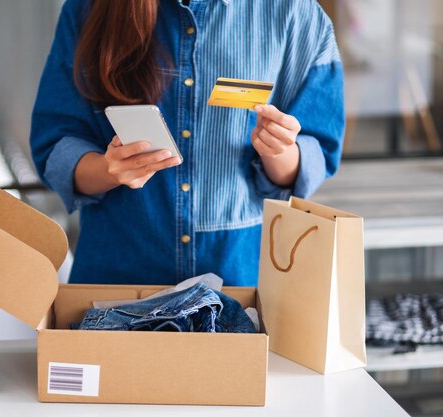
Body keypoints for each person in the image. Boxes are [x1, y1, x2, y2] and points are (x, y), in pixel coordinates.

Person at [30, 0, 344, 286]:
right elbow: (56, 145)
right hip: (114, 283)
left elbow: (315, 155)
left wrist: (280, 150)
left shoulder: (295, 13)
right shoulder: (87, 9)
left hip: (240, 283)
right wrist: (108, 170)